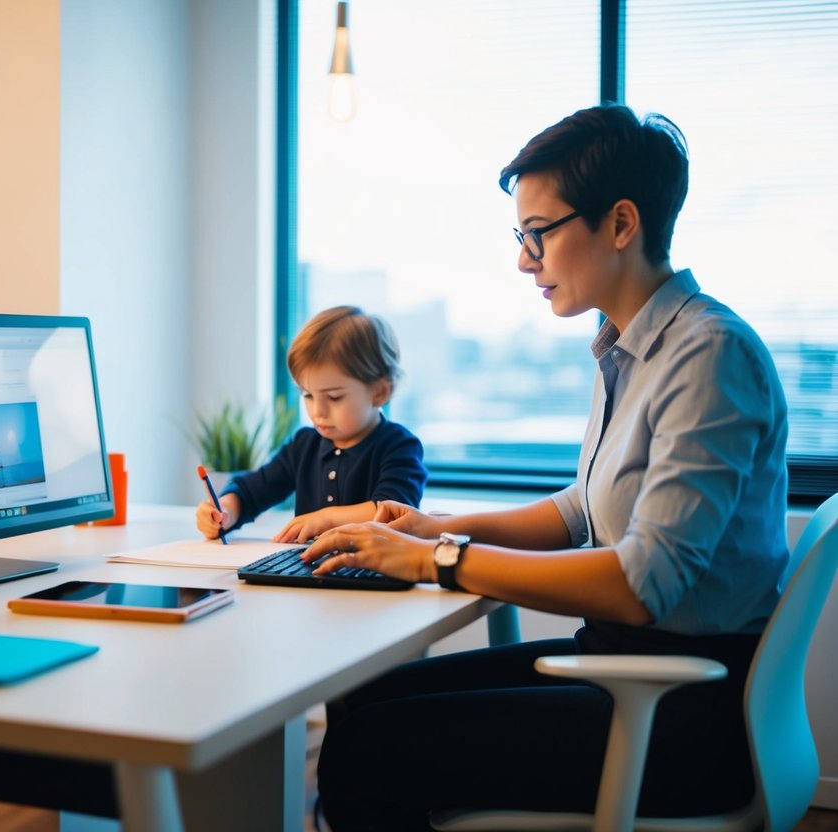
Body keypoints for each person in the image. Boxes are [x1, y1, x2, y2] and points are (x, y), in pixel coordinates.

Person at [302, 104, 789, 830]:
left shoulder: (707, 355)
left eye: (538, 234)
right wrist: (436, 527)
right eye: (519, 237)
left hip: (681, 709)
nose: (523, 260)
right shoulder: (628, 347)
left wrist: (436, 557)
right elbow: (582, 510)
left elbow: (638, 584)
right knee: (364, 703)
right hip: (631, 667)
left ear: (620, 225)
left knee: (363, 751)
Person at [196, 305, 427, 544]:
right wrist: (225, 511)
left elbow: (394, 513)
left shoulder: (400, 446)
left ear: (379, 392)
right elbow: (252, 491)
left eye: (334, 397)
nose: (317, 411)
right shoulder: (303, 445)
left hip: (371, 574)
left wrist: (325, 518)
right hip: (310, 574)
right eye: (307, 395)